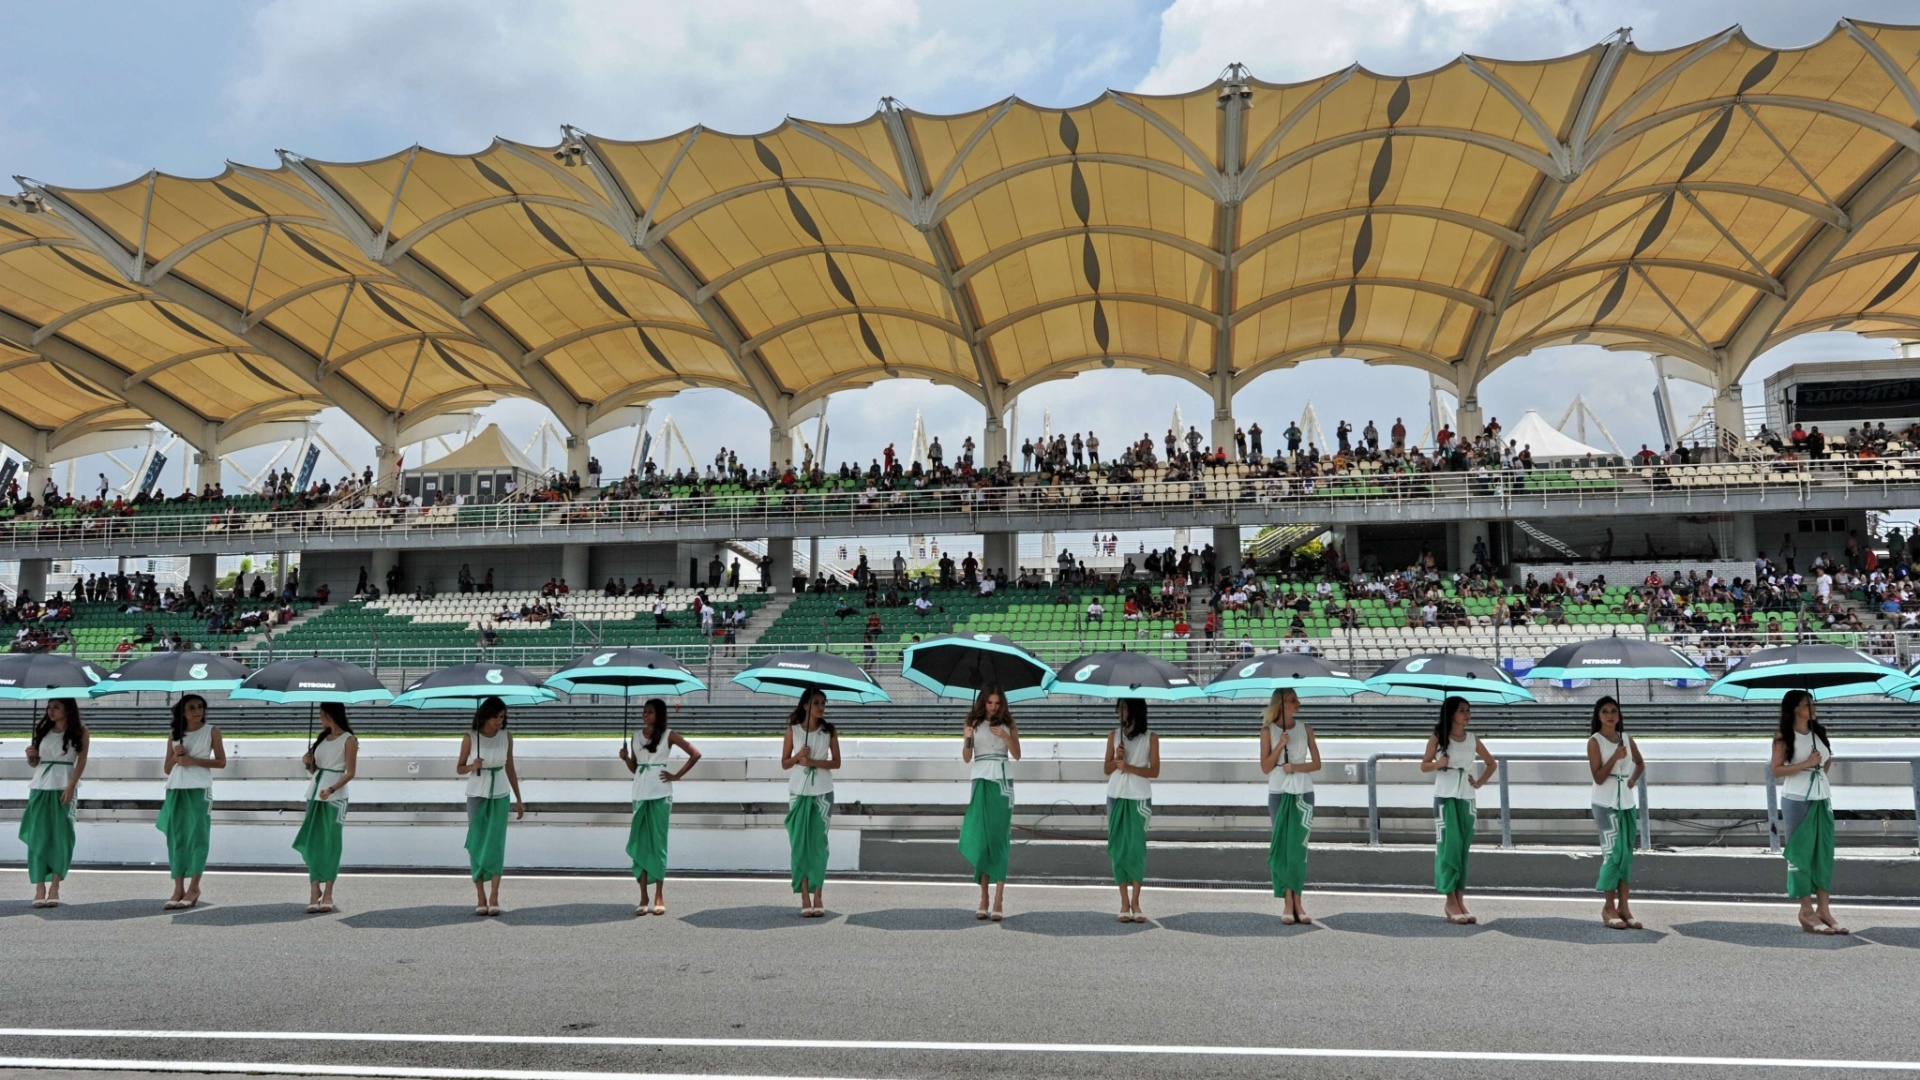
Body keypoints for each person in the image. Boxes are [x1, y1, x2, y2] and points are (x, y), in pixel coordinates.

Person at [1772, 689, 1846, 934]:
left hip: (1821, 799)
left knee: (1823, 853)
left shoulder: (1819, 733)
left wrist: (1819, 776)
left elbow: (1827, 759)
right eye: (1808, 704)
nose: (1813, 708)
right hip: (1796, 799)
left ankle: (1824, 909)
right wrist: (1807, 765)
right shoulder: (1784, 736)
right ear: (1795, 708)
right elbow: (1776, 770)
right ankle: (1806, 911)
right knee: (1801, 853)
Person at [619, 698, 702, 916]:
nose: (645, 715)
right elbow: (635, 768)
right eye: (644, 711)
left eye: (650, 712)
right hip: (639, 793)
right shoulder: (635, 736)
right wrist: (626, 758)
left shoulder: (668, 735)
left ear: (659, 714)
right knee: (640, 842)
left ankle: (658, 894)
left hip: (661, 794)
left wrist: (676, 775)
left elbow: (695, 753)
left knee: (658, 843)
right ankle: (643, 896)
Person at [1421, 695, 1497, 924]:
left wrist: (1480, 782)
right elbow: (1424, 766)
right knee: (1449, 846)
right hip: (1445, 796)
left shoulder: (1473, 738)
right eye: (1462, 710)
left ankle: (1460, 898)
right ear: (1451, 714)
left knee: (1463, 847)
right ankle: (1449, 899)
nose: (1467, 714)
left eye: (1468, 709)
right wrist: (1438, 764)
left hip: (1467, 796)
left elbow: (1492, 763)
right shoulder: (1438, 737)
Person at [456, 696, 524, 916]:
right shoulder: (470, 738)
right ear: (485, 716)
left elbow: (510, 768)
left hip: (500, 792)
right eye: (495, 717)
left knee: (496, 843)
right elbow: (459, 768)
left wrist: (519, 799)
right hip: (477, 793)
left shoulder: (506, 737)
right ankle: (480, 896)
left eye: (502, 717)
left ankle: (494, 895)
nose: (499, 721)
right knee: (477, 842)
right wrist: (471, 766)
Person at [958, 685, 1020, 921]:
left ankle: (999, 899)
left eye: (997, 703)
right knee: (982, 839)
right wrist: (967, 738)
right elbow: (966, 758)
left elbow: (1017, 754)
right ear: (983, 702)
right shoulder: (972, 723)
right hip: (981, 778)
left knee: (999, 839)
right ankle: (983, 897)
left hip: (1002, 782)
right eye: (990, 703)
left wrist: (1005, 736)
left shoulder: (1009, 724)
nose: (993, 707)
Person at [158, 694, 225, 909]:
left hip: (198, 789)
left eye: (200, 707)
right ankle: (178, 887)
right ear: (183, 712)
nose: (197, 711)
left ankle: (194, 886)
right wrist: (176, 756)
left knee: (197, 836)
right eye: (191, 708)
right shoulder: (175, 734)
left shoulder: (212, 731)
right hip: (175, 788)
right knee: (176, 837)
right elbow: (167, 769)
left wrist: (192, 760)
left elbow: (221, 762)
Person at [1259, 688, 1320, 924]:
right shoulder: (1268, 731)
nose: (1298, 703)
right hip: (1278, 792)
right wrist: (1279, 745)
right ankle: (1287, 899)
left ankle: (1298, 899)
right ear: (1281, 703)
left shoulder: (1306, 729)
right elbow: (1265, 767)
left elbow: (1316, 763)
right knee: (1282, 847)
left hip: (1303, 792)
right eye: (1293, 700)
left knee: (1298, 848)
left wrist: (1294, 767)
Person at [21, 698, 88, 907]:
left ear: (68, 710)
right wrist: (30, 756)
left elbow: (82, 761)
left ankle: (55, 887)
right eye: (49, 707)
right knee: (38, 836)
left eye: (56, 707)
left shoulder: (80, 731)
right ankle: (39, 887)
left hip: (63, 787)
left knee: (62, 836)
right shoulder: (42, 731)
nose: (51, 711)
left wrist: (70, 787)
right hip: (41, 787)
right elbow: (35, 764)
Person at [293, 702, 358, 914]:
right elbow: (314, 770)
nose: (320, 718)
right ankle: (314, 891)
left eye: (322, 714)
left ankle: (328, 891)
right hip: (314, 793)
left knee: (331, 843)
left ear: (331, 714)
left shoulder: (349, 740)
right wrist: (308, 762)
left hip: (334, 796)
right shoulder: (321, 738)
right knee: (313, 842)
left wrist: (331, 789)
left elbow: (350, 772)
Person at [1587, 696, 1644, 930]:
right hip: (1605, 802)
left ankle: (1624, 907)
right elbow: (1598, 777)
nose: (1610, 715)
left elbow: (1641, 763)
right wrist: (1615, 758)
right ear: (1598, 716)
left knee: (1626, 855)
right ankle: (1608, 907)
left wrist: (1632, 780)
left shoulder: (1627, 739)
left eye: (1614, 711)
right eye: (1605, 711)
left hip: (1627, 803)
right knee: (1612, 854)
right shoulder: (1595, 741)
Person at [783, 687, 840, 917]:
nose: (821, 707)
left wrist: (814, 761)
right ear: (805, 705)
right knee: (800, 843)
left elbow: (836, 763)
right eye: (816, 702)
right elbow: (785, 763)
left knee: (818, 844)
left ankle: (818, 895)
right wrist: (799, 758)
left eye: (823, 703)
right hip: (798, 791)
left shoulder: (829, 731)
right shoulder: (793, 731)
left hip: (823, 793)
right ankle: (804, 896)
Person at [1104, 697, 1159, 923]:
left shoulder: (1151, 738)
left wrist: (1129, 767)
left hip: (1139, 797)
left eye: (1124, 707)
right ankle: (1123, 902)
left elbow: (1154, 771)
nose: (1120, 711)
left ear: (1135, 710)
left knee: (1136, 849)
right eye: (1119, 707)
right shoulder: (1113, 736)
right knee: (1118, 848)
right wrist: (1117, 760)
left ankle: (1136, 901)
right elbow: (1106, 769)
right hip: (1116, 795)